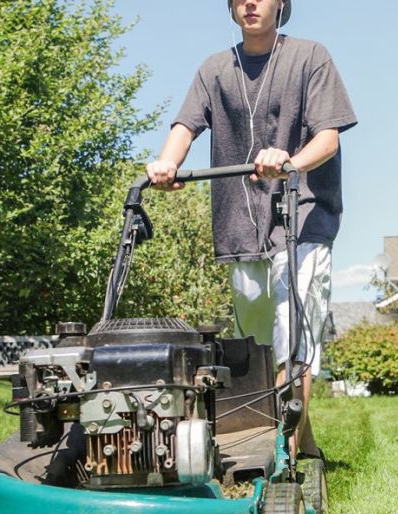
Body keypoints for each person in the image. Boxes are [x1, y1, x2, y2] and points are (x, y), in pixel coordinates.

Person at [146, 0, 355, 460]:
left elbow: (328, 137)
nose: (250, 3)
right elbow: (186, 124)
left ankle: (282, 456)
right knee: (260, 345)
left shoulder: (309, 56)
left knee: (292, 333)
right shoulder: (215, 69)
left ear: (282, 3)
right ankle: (305, 442)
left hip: (303, 216)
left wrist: (290, 163)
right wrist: (168, 162)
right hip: (240, 224)